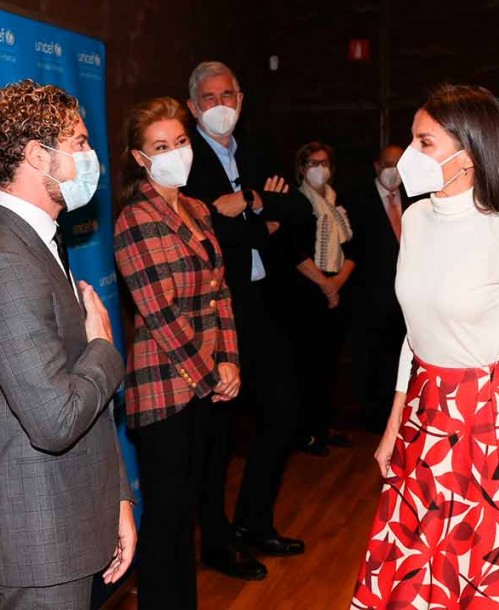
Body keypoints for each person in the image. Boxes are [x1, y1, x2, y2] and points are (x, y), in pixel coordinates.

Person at [351, 83, 499, 608]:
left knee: (475, 568)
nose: (410, 156)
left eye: (425, 143)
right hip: (424, 412)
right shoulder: (414, 218)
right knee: (416, 571)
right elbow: (413, 334)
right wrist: (394, 425)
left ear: (470, 152)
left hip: (486, 421)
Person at [0, 79, 136, 609]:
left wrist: (117, 499)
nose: (91, 156)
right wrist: (104, 346)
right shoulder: (9, 258)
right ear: (37, 155)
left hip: (72, 520)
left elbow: (77, 391)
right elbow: (54, 418)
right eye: (78, 143)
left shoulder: (39, 238)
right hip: (38, 546)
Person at [114, 96, 240, 610]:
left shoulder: (198, 209)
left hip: (206, 380)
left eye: (181, 142)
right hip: (164, 387)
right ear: (141, 159)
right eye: (161, 146)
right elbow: (160, 315)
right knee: (166, 517)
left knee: (188, 507)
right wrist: (211, 374)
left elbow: (220, 291)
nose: (175, 153)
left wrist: (230, 358)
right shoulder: (133, 220)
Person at [183, 60, 305, 581]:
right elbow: (203, 229)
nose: (220, 106)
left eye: (227, 94)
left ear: (242, 97)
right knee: (217, 433)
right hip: (214, 312)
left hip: (262, 305)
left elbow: (299, 209)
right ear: (193, 107)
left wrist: (251, 200)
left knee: (283, 413)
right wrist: (263, 220)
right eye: (209, 98)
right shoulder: (184, 161)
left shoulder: (256, 153)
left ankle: (254, 521)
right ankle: (215, 540)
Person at [264, 141, 356, 457]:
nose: (321, 169)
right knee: (307, 366)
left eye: (325, 162)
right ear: (302, 168)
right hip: (304, 294)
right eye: (314, 163)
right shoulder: (296, 202)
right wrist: (324, 284)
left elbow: (354, 248)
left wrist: (337, 283)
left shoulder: (336, 202)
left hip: (334, 290)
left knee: (329, 366)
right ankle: (305, 432)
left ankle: (323, 426)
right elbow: (292, 251)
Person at [347, 145, 409, 434]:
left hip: (404, 298)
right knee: (370, 358)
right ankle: (373, 417)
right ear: (376, 166)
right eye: (387, 164)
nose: (393, 170)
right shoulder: (356, 201)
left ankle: (395, 414)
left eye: (398, 164)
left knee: (398, 358)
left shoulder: (413, 198)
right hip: (369, 296)